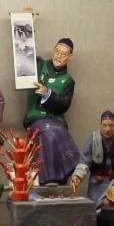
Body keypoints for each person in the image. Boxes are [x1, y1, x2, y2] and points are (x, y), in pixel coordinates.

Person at [24, 38, 80, 185]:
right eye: (57, 51)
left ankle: (61, 175)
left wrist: (47, 93)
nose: (59, 56)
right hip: (36, 117)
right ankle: (48, 178)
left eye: (64, 54)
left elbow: (64, 105)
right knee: (47, 132)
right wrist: (26, 29)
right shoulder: (38, 64)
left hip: (56, 120)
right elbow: (22, 53)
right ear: (53, 50)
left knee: (56, 130)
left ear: (70, 57)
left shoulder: (68, 81)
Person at [71, 111, 114, 205]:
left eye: (111, 125)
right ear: (100, 125)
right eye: (104, 125)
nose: (107, 129)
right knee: (95, 207)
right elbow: (84, 161)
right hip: (96, 184)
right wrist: (78, 176)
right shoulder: (93, 141)